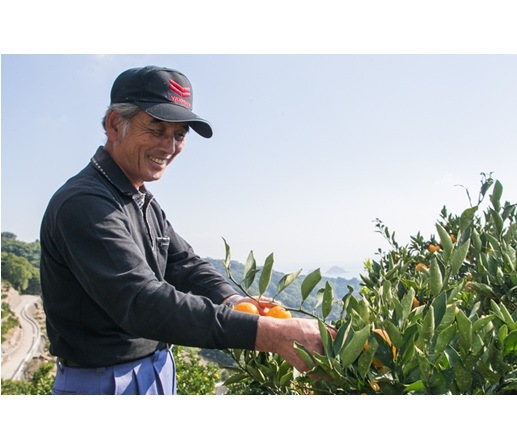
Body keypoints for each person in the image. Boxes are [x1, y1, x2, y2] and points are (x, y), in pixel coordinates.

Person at [40, 65, 326, 395]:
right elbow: (142, 301)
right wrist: (269, 334)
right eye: (157, 129)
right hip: (103, 382)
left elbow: (184, 264)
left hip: (156, 369)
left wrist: (233, 300)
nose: (169, 146)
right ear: (115, 125)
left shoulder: (139, 198)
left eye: (179, 135)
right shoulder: (85, 203)